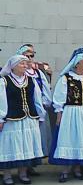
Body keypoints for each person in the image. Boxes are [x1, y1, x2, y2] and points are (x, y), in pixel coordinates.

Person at [50, 48, 83, 183]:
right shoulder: (66, 78)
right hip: (71, 112)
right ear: (76, 64)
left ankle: (78, 168)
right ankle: (65, 170)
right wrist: (59, 114)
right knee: (69, 138)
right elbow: (59, 98)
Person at [0, 55, 45, 185]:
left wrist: (40, 115)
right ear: (13, 66)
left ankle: (23, 173)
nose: (25, 66)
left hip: (29, 118)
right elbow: (1, 101)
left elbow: (37, 99)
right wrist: (1, 118)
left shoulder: (31, 80)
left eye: (26, 64)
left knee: (27, 145)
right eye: (22, 64)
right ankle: (7, 175)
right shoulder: (4, 81)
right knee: (9, 146)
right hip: (12, 119)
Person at [17, 44, 52, 175]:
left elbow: (45, 89)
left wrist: (43, 103)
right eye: (27, 56)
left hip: (38, 109)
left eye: (32, 55)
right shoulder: (16, 72)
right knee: (24, 138)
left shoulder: (37, 72)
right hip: (23, 110)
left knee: (36, 138)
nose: (30, 58)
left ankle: (31, 165)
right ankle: (23, 166)